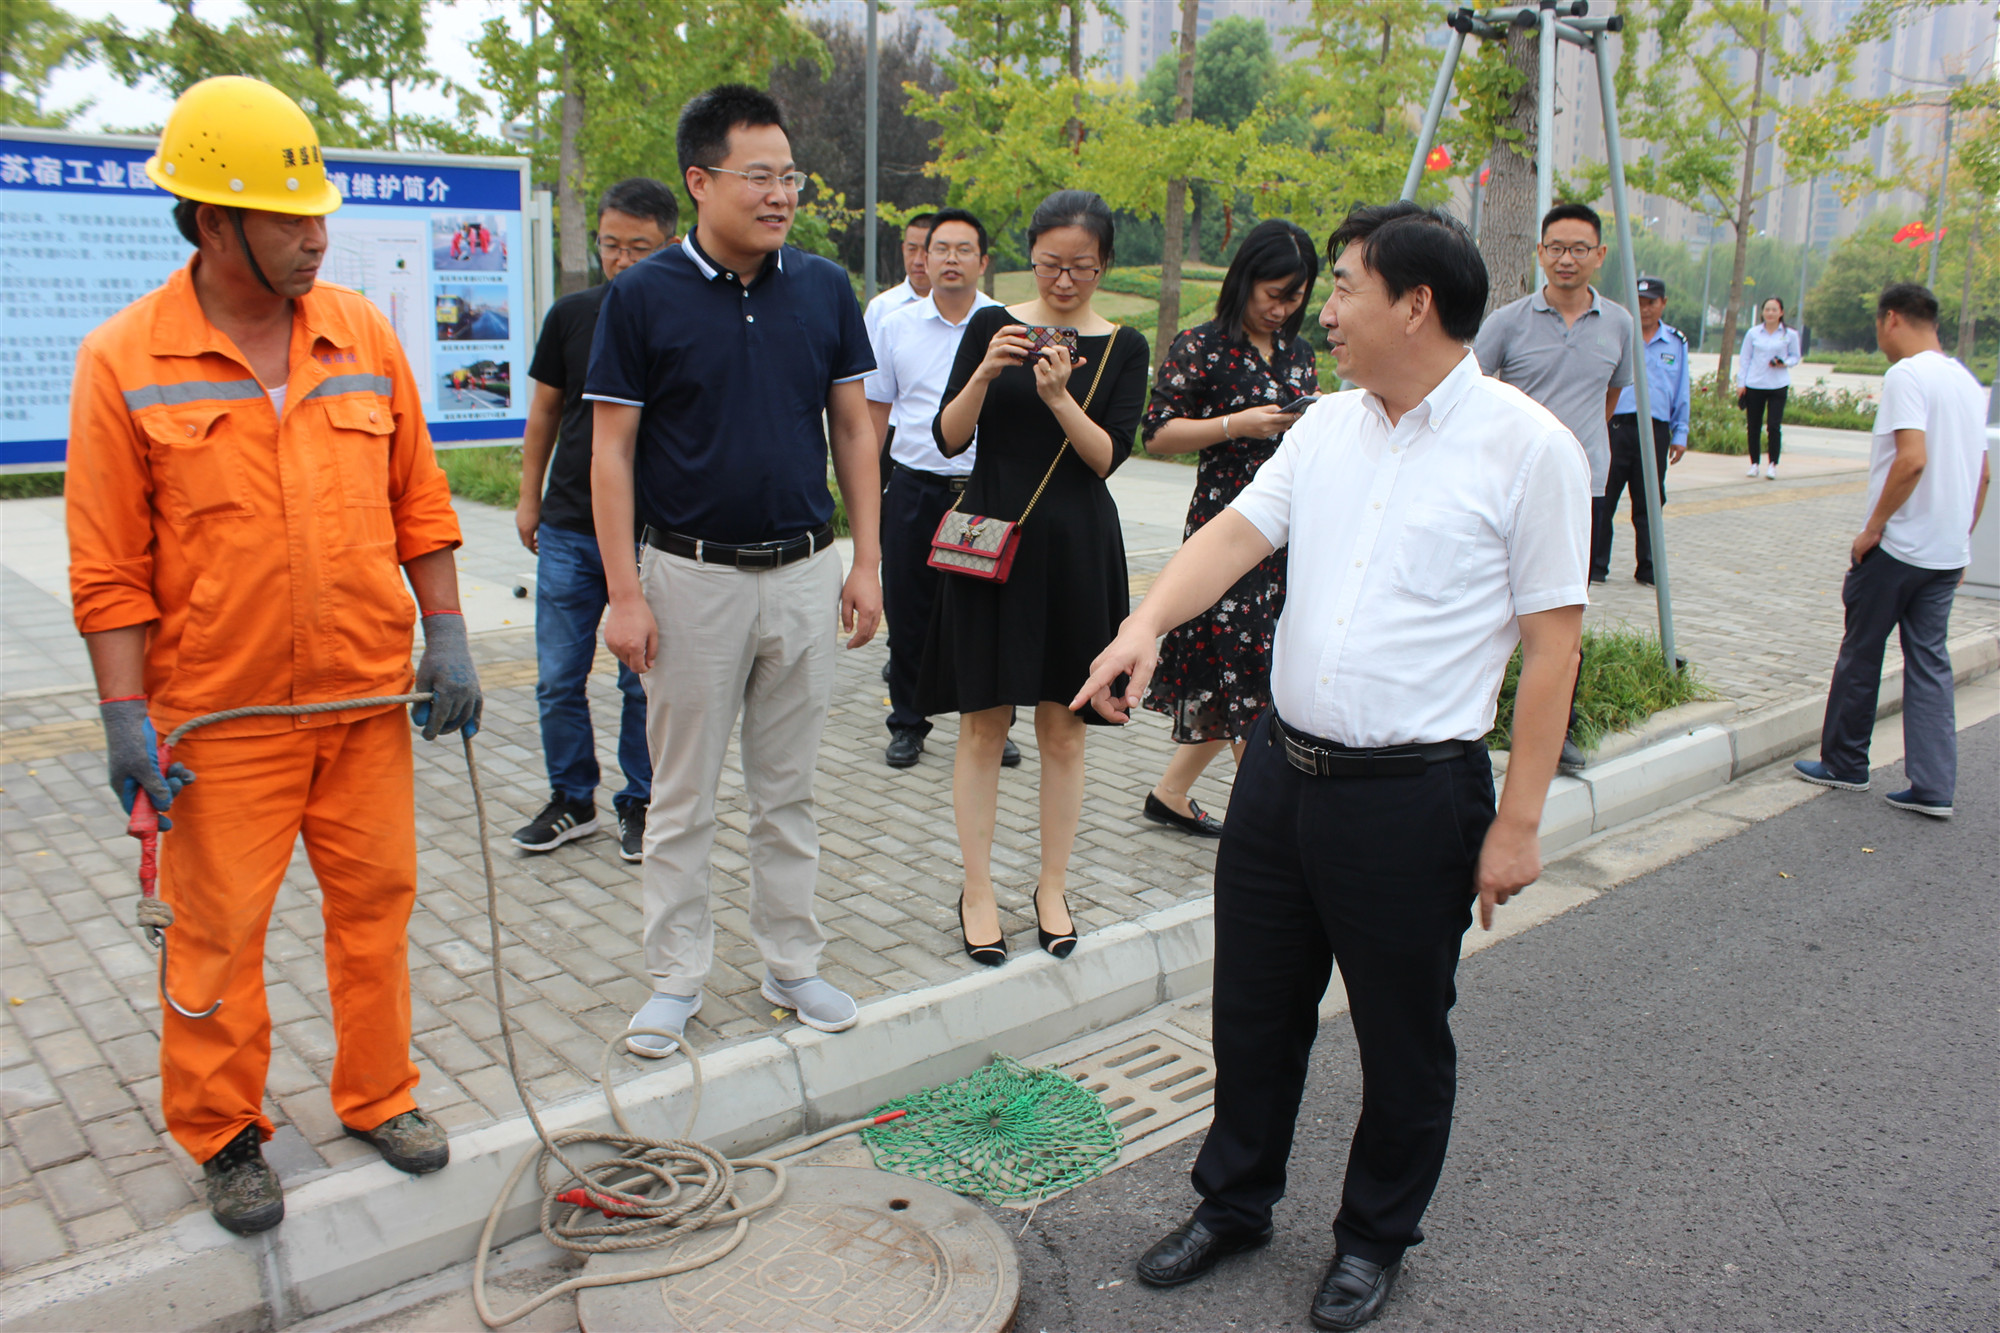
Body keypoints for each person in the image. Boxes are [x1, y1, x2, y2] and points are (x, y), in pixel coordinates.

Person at [1076, 201, 1587, 1332]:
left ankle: (1373, 1236)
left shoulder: (1529, 449)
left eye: (1347, 286)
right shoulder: (1323, 428)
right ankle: (1234, 1201)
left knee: (1402, 1033)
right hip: (1277, 772)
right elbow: (1232, 536)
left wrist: (1516, 823)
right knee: (1254, 1012)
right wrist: (1143, 622)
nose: (1326, 312)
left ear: (1415, 305)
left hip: (1411, 797)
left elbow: (1554, 648)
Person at [65, 76, 481, 1236]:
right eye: (291, 219)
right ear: (213, 222)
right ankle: (224, 1132)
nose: (317, 238)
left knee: (376, 906)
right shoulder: (123, 360)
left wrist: (446, 633)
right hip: (219, 722)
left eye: (319, 215)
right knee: (215, 934)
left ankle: (379, 1094)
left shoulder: (361, 337)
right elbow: (107, 565)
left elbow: (419, 500)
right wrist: (122, 714)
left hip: (362, 702)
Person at [586, 85, 882, 1055]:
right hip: (688, 580)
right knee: (681, 798)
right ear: (700, 181)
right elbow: (611, 451)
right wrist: (624, 593)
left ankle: (791, 963)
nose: (780, 194)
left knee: (787, 793)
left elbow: (853, 429)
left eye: (789, 176)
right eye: (758, 176)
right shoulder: (640, 297)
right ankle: (674, 977)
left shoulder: (823, 288)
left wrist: (866, 561)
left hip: (804, 570)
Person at [923, 189, 1150, 965]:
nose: (1063, 280)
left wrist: (1058, 398)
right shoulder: (993, 326)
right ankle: (976, 889)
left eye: (1081, 266)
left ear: (1104, 264)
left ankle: (1052, 886)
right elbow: (948, 437)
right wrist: (985, 374)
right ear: (1029, 257)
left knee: (1063, 729)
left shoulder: (1123, 346)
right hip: (991, 547)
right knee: (983, 723)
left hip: (1077, 554)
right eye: (1051, 264)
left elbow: (1105, 457)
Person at [1138, 219, 1321, 837]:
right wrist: (1234, 425)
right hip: (1226, 530)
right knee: (1250, 673)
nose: (1281, 309)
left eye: (1295, 297)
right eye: (1273, 294)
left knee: (1245, 672)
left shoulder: (1299, 353)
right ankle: (1267, 831)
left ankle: (1170, 793)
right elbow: (1156, 433)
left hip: (1289, 538)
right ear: (1245, 280)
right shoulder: (1201, 345)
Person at [512, 178, 678, 860]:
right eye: (611, 245)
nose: (622, 260)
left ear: (670, 243)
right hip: (570, 528)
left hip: (650, 533)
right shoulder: (573, 315)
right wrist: (529, 498)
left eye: (639, 247)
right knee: (557, 677)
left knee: (641, 681)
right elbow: (546, 413)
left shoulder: (682, 318)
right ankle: (571, 798)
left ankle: (641, 800)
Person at [1794, 283, 1989, 818]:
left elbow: (1911, 459)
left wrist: (1873, 528)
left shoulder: (1907, 375)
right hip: (1946, 554)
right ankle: (1933, 785)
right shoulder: (1968, 382)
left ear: (1892, 319)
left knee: (1862, 652)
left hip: (1898, 547)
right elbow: (1983, 475)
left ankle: (1845, 763)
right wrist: (1962, 539)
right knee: (1930, 664)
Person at [1475, 201, 1632, 774]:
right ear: (1540, 253)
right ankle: (1477, 719)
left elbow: (1610, 397)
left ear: (1599, 255)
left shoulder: (1619, 324)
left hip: (1582, 491)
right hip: (1508, 489)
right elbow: (1473, 388)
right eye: (1557, 248)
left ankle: (1552, 733)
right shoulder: (1507, 321)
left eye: (1579, 249)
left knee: (1562, 619)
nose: (1567, 259)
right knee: (1492, 610)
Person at [864, 207, 1021, 770]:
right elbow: (875, 414)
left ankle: (993, 726)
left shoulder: (1008, 328)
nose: (951, 260)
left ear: (983, 261)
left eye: (963, 250)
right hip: (915, 489)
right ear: (923, 258)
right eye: (941, 249)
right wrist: (868, 492)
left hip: (983, 495)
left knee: (987, 617)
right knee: (910, 613)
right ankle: (908, 722)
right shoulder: (895, 325)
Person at [1594, 275, 1690, 586]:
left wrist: (1680, 433)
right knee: (1604, 497)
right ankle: (1596, 566)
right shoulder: (1619, 333)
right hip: (1617, 426)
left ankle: (1649, 568)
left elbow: (1681, 390)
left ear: (1663, 304)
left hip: (1655, 430)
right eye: (1639, 302)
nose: (1644, 309)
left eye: (1651, 303)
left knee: (1649, 501)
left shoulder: (1675, 342)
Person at [1738, 296, 1800, 478]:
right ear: (1762, 312)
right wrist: (1741, 383)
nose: (1770, 313)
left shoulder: (1790, 334)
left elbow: (1795, 356)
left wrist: (1784, 362)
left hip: (1778, 384)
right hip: (1755, 384)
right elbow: (1745, 359)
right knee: (1753, 426)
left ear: (1781, 312)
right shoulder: (1753, 333)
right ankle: (1754, 463)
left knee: (1773, 426)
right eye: (1767, 309)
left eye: (1774, 310)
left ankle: (1773, 464)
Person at [863, 212, 937, 352]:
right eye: (912, 249)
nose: (918, 261)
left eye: (926, 250)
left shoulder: (960, 308)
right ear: (903, 249)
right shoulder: (881, 308)